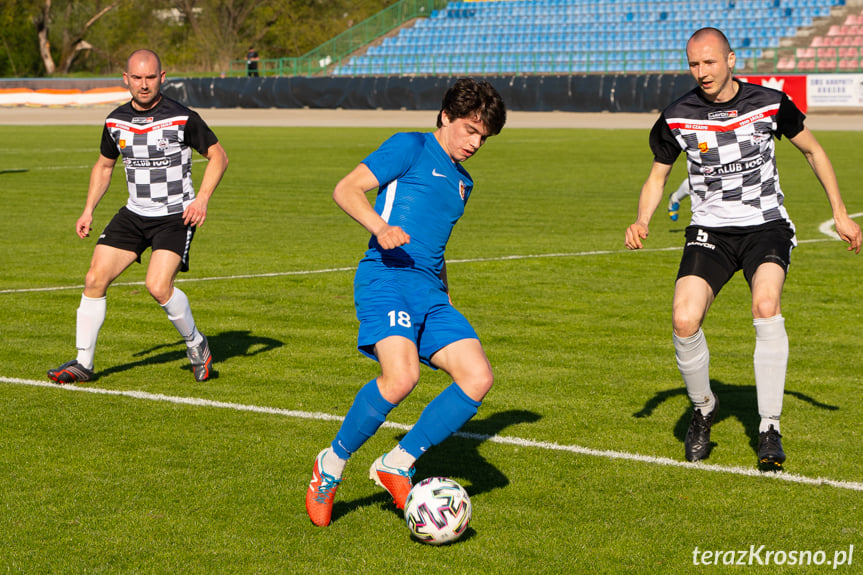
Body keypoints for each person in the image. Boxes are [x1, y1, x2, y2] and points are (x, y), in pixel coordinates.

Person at [624, 28, 861, 469]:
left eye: (710, 62)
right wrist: (643, 219)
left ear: (731, 59)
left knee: (766, 304)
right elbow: (657, 176)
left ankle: (769, 426)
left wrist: (841, 212)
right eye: (694, 64)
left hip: (765, 226)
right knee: (683, 318)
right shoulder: (677, 115)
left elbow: (814, 151)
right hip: (710, 231)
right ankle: (703, 409)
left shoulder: (770, 102)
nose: (702, 72)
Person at [305, 78, 507, 527]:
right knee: (401, 378)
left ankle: (396, 462)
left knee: (477, 377)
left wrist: (446, 295)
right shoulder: (410, 146)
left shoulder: (463, 183)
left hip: (430, 292)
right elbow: (346, 189)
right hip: (386, 277)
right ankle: (331, 466)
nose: (476, 142)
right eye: (471, 130)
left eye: (484, 136)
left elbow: (437, 246)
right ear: (445, 117)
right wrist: (380, 228)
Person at [48, 49, 229, 384]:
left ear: (162, 77)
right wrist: (88, 209)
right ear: (126, 79)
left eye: (150, 78)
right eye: (137, 78)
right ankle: (83, 363)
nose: (144, 85)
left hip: (175, 216)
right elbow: (104, 166)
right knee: (94, 280)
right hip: (133, 214)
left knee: (158, 287)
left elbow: (218, 156)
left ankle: (196, 344)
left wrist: (201, 199)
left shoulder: (182, 117)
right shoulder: (115, 121)